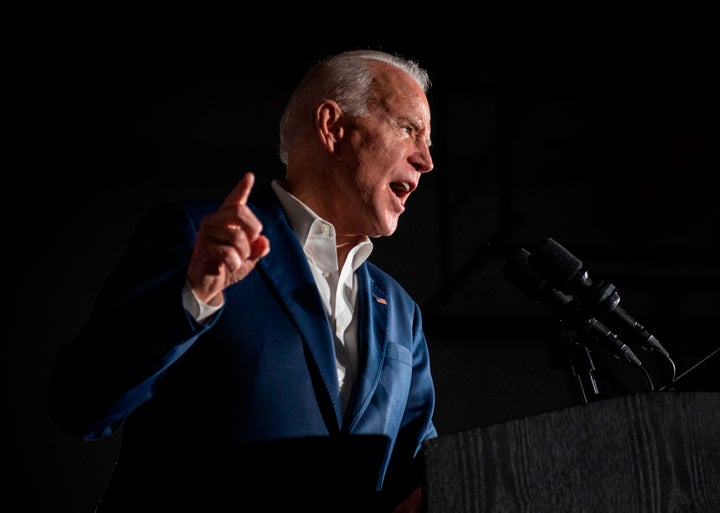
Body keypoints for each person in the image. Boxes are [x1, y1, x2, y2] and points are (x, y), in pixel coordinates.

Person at [47, 49, 438, 513]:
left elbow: (416, 470)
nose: (426, 160)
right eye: (409, 129)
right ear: (332, 127)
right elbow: (81, 405)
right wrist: (190, 298)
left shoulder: (398, 311)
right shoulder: (202, 241)